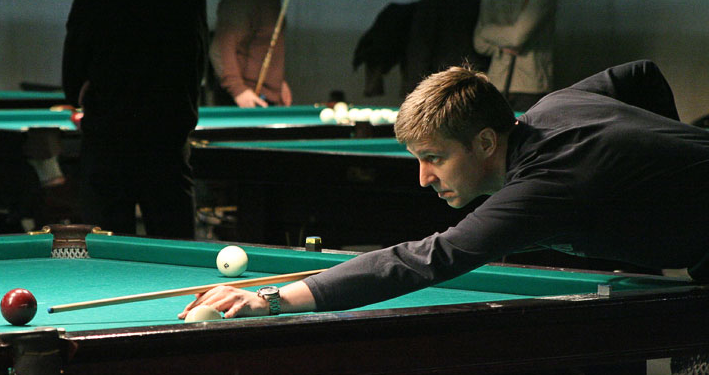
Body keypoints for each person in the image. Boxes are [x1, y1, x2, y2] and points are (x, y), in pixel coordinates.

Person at [179, 60, 709, 319]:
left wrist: (271, 299)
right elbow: (640, 76)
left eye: (434, 158)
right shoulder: (551, 110)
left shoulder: (544, 185)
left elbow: (429, 259)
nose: (423, 178)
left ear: (485, 142)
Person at [62, 0, 208, 238]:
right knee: (174, 254)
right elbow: (196, 70)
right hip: (167, 148)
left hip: (107, 150)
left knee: (105, 255)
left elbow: (71, 85)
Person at [209, 0, 293, 108]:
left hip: (265, 95)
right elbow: (219, 50)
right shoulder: (239, 0)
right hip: (243, 99)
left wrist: (277, 83)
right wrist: (238, 90)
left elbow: (265, 45)